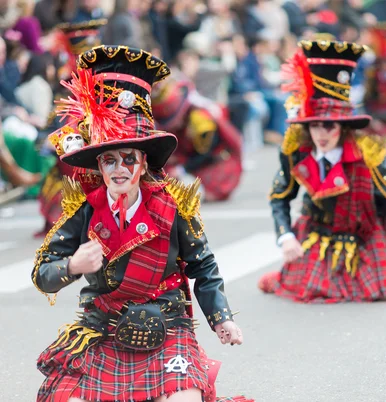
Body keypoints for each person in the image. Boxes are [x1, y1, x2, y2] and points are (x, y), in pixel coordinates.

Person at [31, 45, 252, 402]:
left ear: (145, 162)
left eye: (128, 159)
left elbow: (204, 268)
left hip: (167, 325)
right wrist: (72, 266)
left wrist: (221, 318)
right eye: (108, 160)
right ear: (98, 165)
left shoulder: (175, 206)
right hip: (102, 326)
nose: (118, 170)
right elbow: (42, 273)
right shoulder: (83, 210)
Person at [258, 39, 386, 303]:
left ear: (343, 127)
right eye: (316, 126)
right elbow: (280, 197)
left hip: (363, 234)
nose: (322, 134)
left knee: (384, 292)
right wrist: (286, 236)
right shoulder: (296, 152)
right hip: (317, 235)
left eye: (330, 126)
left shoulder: (371, 155)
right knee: (316, 291)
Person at [36, 19, 106, 237]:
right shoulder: (66, 82)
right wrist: (46, 136)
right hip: (70, 150)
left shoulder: (107, 81)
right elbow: (56, 115)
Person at [152, 71, 243, 201]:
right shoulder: (167, 126)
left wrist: (182, 169)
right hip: (185, 161)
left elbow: (207, 153)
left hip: (213, 162)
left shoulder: (201, 119)